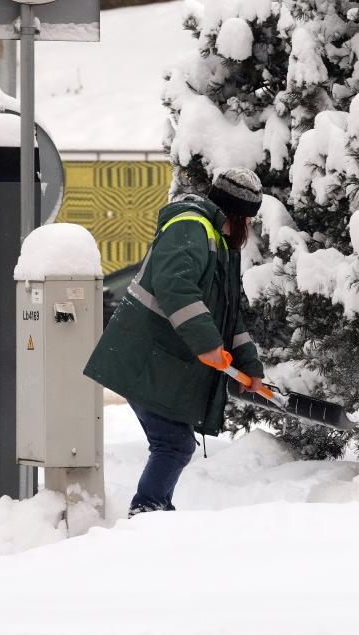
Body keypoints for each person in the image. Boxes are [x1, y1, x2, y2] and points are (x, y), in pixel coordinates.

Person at [84, 167, 267, 516]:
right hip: (144, 357)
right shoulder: (190, 227)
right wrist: (206, 344)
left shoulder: (214, 239)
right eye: (247, 221)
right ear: (237, 215)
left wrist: (249, 365)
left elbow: (228, 316)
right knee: (174, 443)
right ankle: (148, 511)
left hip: (159, 361)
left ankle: (154, 511)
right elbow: (175, 287)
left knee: (175, 443)